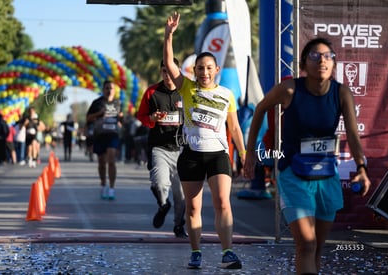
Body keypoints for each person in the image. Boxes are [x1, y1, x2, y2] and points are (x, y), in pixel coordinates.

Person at [244, 37, 371, 275]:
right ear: (304, 63)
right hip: (294, 175)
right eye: (315, 56)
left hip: (326, 176)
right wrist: (251, 152)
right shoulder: (290, 89)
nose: (322, 60)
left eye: (327, 56)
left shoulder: (341, 92)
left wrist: (362, 167)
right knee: (306, 243)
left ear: (333, 64)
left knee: (317, 247)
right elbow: (260, 108)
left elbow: (353, 135)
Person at [163, 12, 246, 269]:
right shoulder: (186, 88)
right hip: (192, 155)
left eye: (209, 68)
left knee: (223, 202)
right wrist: (169, 34)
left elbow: (234, 127)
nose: (205, 72)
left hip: (218, 155)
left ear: (216, 70)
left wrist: (244, 154)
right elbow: (168, 63)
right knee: (193, 209)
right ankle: (196, 252)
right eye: (200, 68)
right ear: (194, 71)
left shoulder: (226, 94)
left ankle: (227, 252)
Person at [137, 58, 187, 238]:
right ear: (160, 72)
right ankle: (163, 205)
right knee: (160, 183)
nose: (167, 75)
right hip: (159, 148)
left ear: (178, 70)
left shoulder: (186, 91)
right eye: (164, 71)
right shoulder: (152, 92)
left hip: (182, 150)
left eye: (170, 71)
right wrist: (152, 118)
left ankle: (179, 225)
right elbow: (141, 115)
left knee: (181, 194)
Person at [86, 80, 122, 200]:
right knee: (101, 163)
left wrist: (121, 120)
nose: (109, 90)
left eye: (111, 88)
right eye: (107, 88)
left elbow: (120, 118)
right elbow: (88, 118)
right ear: (103, 90)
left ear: (114, 90)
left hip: (112, 135)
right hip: (100, 135)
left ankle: (112, 188)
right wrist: (99, 113)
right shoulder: (97, 103)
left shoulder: (118, 103)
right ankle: (103, 184)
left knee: (111, 160)